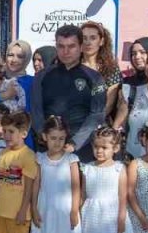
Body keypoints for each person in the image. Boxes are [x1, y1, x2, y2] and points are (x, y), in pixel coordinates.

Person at [31, 24, 107, 162]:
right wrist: (44, 134)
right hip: (48, 146)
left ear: (81, 47)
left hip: (81, 148)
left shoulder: (95, 78)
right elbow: (35, 109)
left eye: (71, 46)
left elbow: (97, 114)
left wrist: (75, 143)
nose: (66, 51)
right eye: (61, 46)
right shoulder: (42, 76)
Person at [76, 127, 135, 233]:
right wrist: (78, 213)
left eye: (104, 147)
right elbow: (83, 193)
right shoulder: (87, 168)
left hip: (111, 215)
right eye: (96, 147)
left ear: (115, 149)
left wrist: (122, 217)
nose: (99, 151)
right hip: (92, 215)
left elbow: (122, 196)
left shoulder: (119, 169)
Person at [31, 116, 81, 233]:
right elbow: (36, 185)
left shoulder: (71, 159)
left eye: (61, 138)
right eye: (53, 138)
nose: (57, 142)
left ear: (66, 137)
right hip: (45, 208)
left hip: (64, 210)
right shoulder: (40, 159)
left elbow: (76, 186)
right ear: (45, 137)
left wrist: (75, 210)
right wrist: (34, 209)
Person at [80, 21, 125, 129]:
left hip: (99, 128)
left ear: (101, 41)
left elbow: (108, 104)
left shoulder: (111, 69)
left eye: (93, 38)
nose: (88, 42)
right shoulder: (71, 67)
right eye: (84, 38)